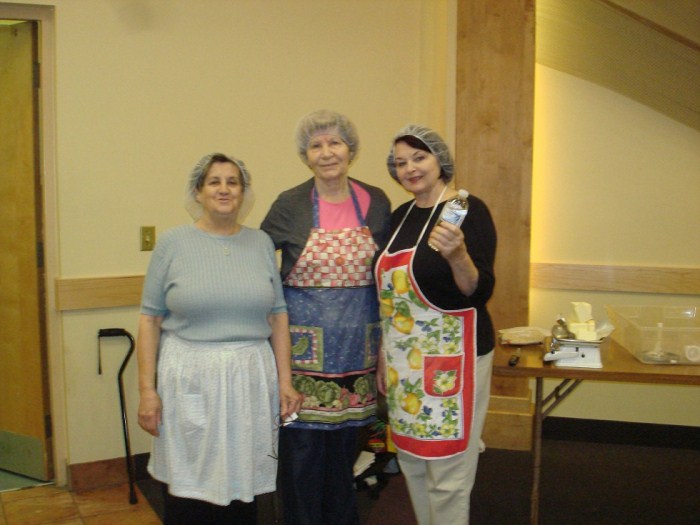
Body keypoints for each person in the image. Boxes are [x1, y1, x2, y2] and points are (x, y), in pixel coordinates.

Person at [136, 153, 302, 525]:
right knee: (188, 484)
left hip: (249, 379)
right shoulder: (173, 243)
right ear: (198, 191)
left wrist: (285, 382)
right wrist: (147, 390)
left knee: (242, 483)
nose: (224, 189)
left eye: (232, 182)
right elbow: (149, 318)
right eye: (214, 181)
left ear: (244, 192)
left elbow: (277, 315)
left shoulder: (260, 243)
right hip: (189, 376)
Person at [261, 110, 391, 525]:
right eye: (316, 145)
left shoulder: (376, 201)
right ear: (306, 156)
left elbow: (388, 275)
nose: (327, 152)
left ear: (351, 149)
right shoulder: (289, 204)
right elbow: (258, 262)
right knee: (300, 457)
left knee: (344, 455)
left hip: (357, 353)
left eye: (335, 142)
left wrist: (386, 351)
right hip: (302, 359)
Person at [374, 125, 497, 524]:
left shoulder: (465, 208)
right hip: (404, 361)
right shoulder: (400, 216)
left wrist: (458, 255)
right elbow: (391, 298)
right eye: (400, 163)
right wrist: (384, 353)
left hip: (454, 357)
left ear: (439, 159)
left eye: (419, 157)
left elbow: (479, 290)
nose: (410, 168)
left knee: (448, 469)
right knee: (411, 459)